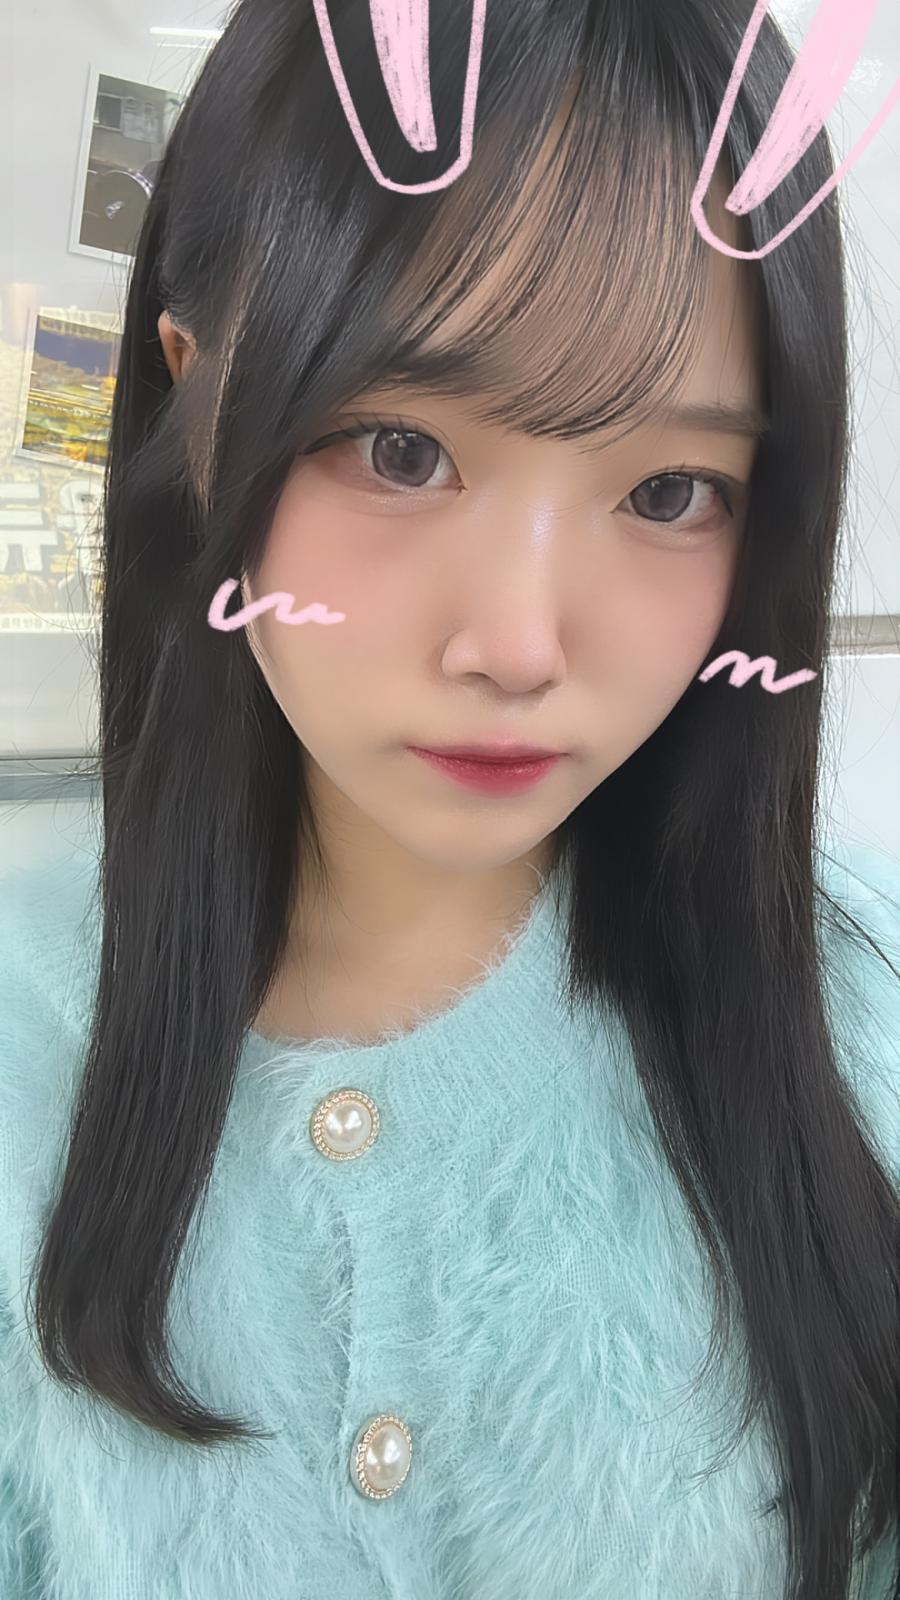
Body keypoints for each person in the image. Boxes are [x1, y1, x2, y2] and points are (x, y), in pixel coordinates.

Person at [1, 0, 898, 1597]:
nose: (521, 645)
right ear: (195, 407)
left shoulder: (865, 1018)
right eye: (399, 450)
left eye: (671, 490)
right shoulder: (21, 1043)